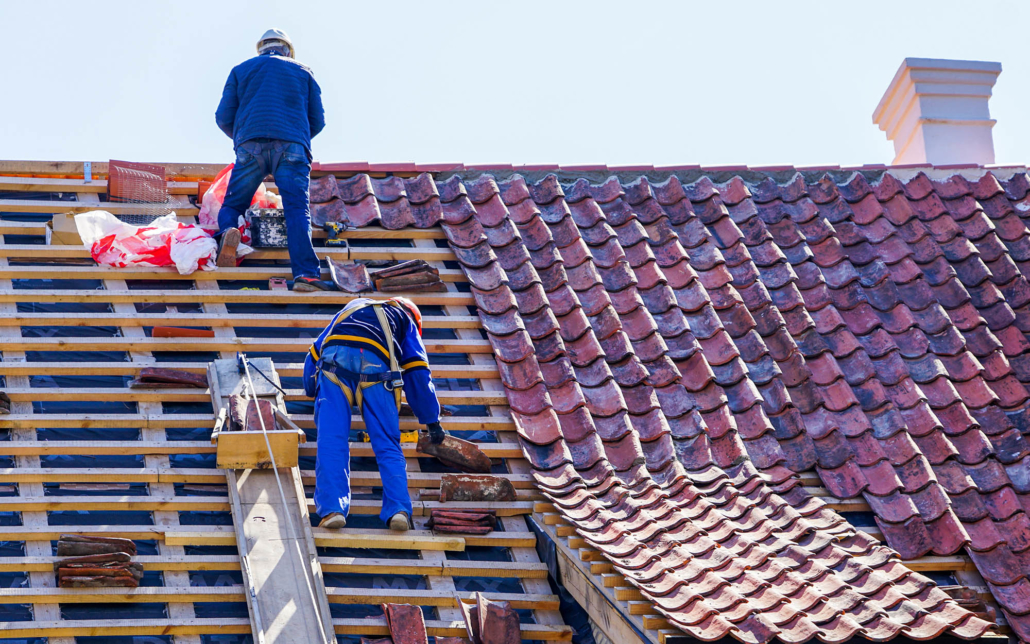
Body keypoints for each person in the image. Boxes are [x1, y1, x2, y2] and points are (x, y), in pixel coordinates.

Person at [303, 297, 446, 531]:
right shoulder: (405, 320)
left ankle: (331, 511)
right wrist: (431, 420)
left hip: (332, 366)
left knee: (331, 441)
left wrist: (312, 389)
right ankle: (399, 510)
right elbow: (417, 372)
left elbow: (314, 353)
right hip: (376, 370)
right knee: (388, 444)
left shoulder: (350, 308)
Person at [214, 28, 328, 292]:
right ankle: (306, 276)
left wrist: (243, 140)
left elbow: (222, 117)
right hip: (293, 147)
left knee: (232, 205)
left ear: (261, 49)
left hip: (250, 145)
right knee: (297, 210)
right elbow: (318, 120)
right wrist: (295, 139)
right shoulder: (304, 71)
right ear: (288, 50)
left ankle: (228, 234)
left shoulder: (240, 70)